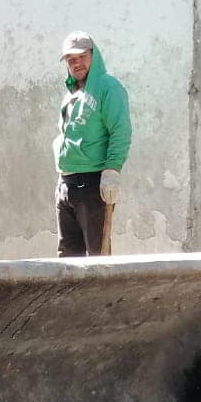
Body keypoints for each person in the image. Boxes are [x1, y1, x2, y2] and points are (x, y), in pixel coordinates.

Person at [54, 31, 130, 257]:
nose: (76, 63)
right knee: (67, 258)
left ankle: (105, 295)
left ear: (94, 56)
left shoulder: (108, 86)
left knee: (98, 257)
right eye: (70, 60)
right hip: (65, 183)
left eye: (81, 56)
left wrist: (112, 169)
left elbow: (120, 130)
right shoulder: (72, 93)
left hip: (92, 184)